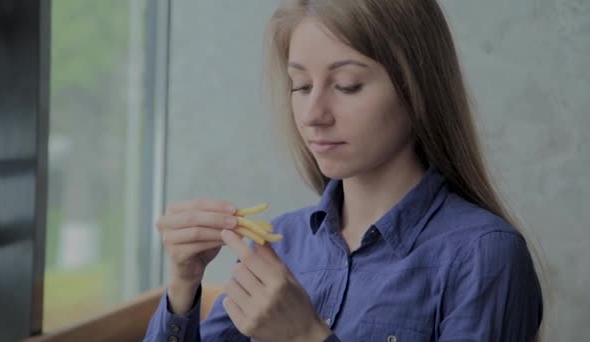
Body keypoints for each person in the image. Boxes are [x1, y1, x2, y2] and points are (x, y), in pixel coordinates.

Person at [144, 0, 543, 341]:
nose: (313, 115)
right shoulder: (281, 245)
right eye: (300, 86)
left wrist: (306, 336)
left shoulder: (484, 255)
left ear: (417, 89)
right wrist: (183, 284)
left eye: (347, 85)